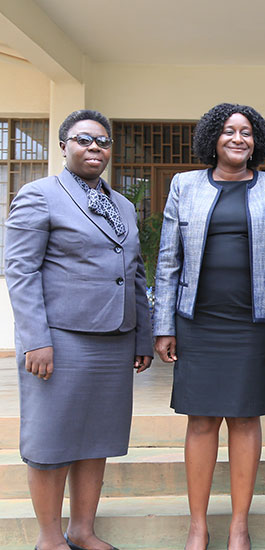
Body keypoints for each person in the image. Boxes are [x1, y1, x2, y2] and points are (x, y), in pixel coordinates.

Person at [4, 109, 153, 550]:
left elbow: (136, 273)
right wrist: (36, 339)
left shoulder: (123, 204)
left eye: (103, 142)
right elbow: (21, 269)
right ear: (64, 145)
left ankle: (82, 530)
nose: (95, 148)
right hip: (60, 340)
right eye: (84, 140)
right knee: (51, 441)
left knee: (96, 438)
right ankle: (50, 538)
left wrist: (142, 336)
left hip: (114, 341)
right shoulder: (39, 195)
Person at [153, 103, 265, 550]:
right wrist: (164, 323)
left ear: (257, 142)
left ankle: (239, 527)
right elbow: (168, 259)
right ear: (213, 137)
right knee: (201, 420)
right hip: (199, 321)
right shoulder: (184, 185)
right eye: (229, 130)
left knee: (246, 419)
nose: (237, 138)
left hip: (254, 322)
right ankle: (198, 526)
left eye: (246, 132)